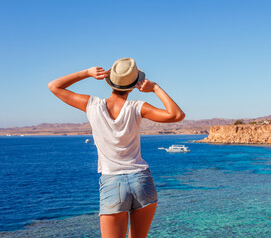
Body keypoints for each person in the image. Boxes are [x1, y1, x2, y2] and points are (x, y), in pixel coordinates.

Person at [48, 57, 185, 238]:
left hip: (112, 183)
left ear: (110, 81)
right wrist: (155, 88)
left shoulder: (92, 105)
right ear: (135, 84)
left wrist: (87, 73)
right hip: (142, 181)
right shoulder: (137, 107)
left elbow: (54, 86)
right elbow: (176, 115)